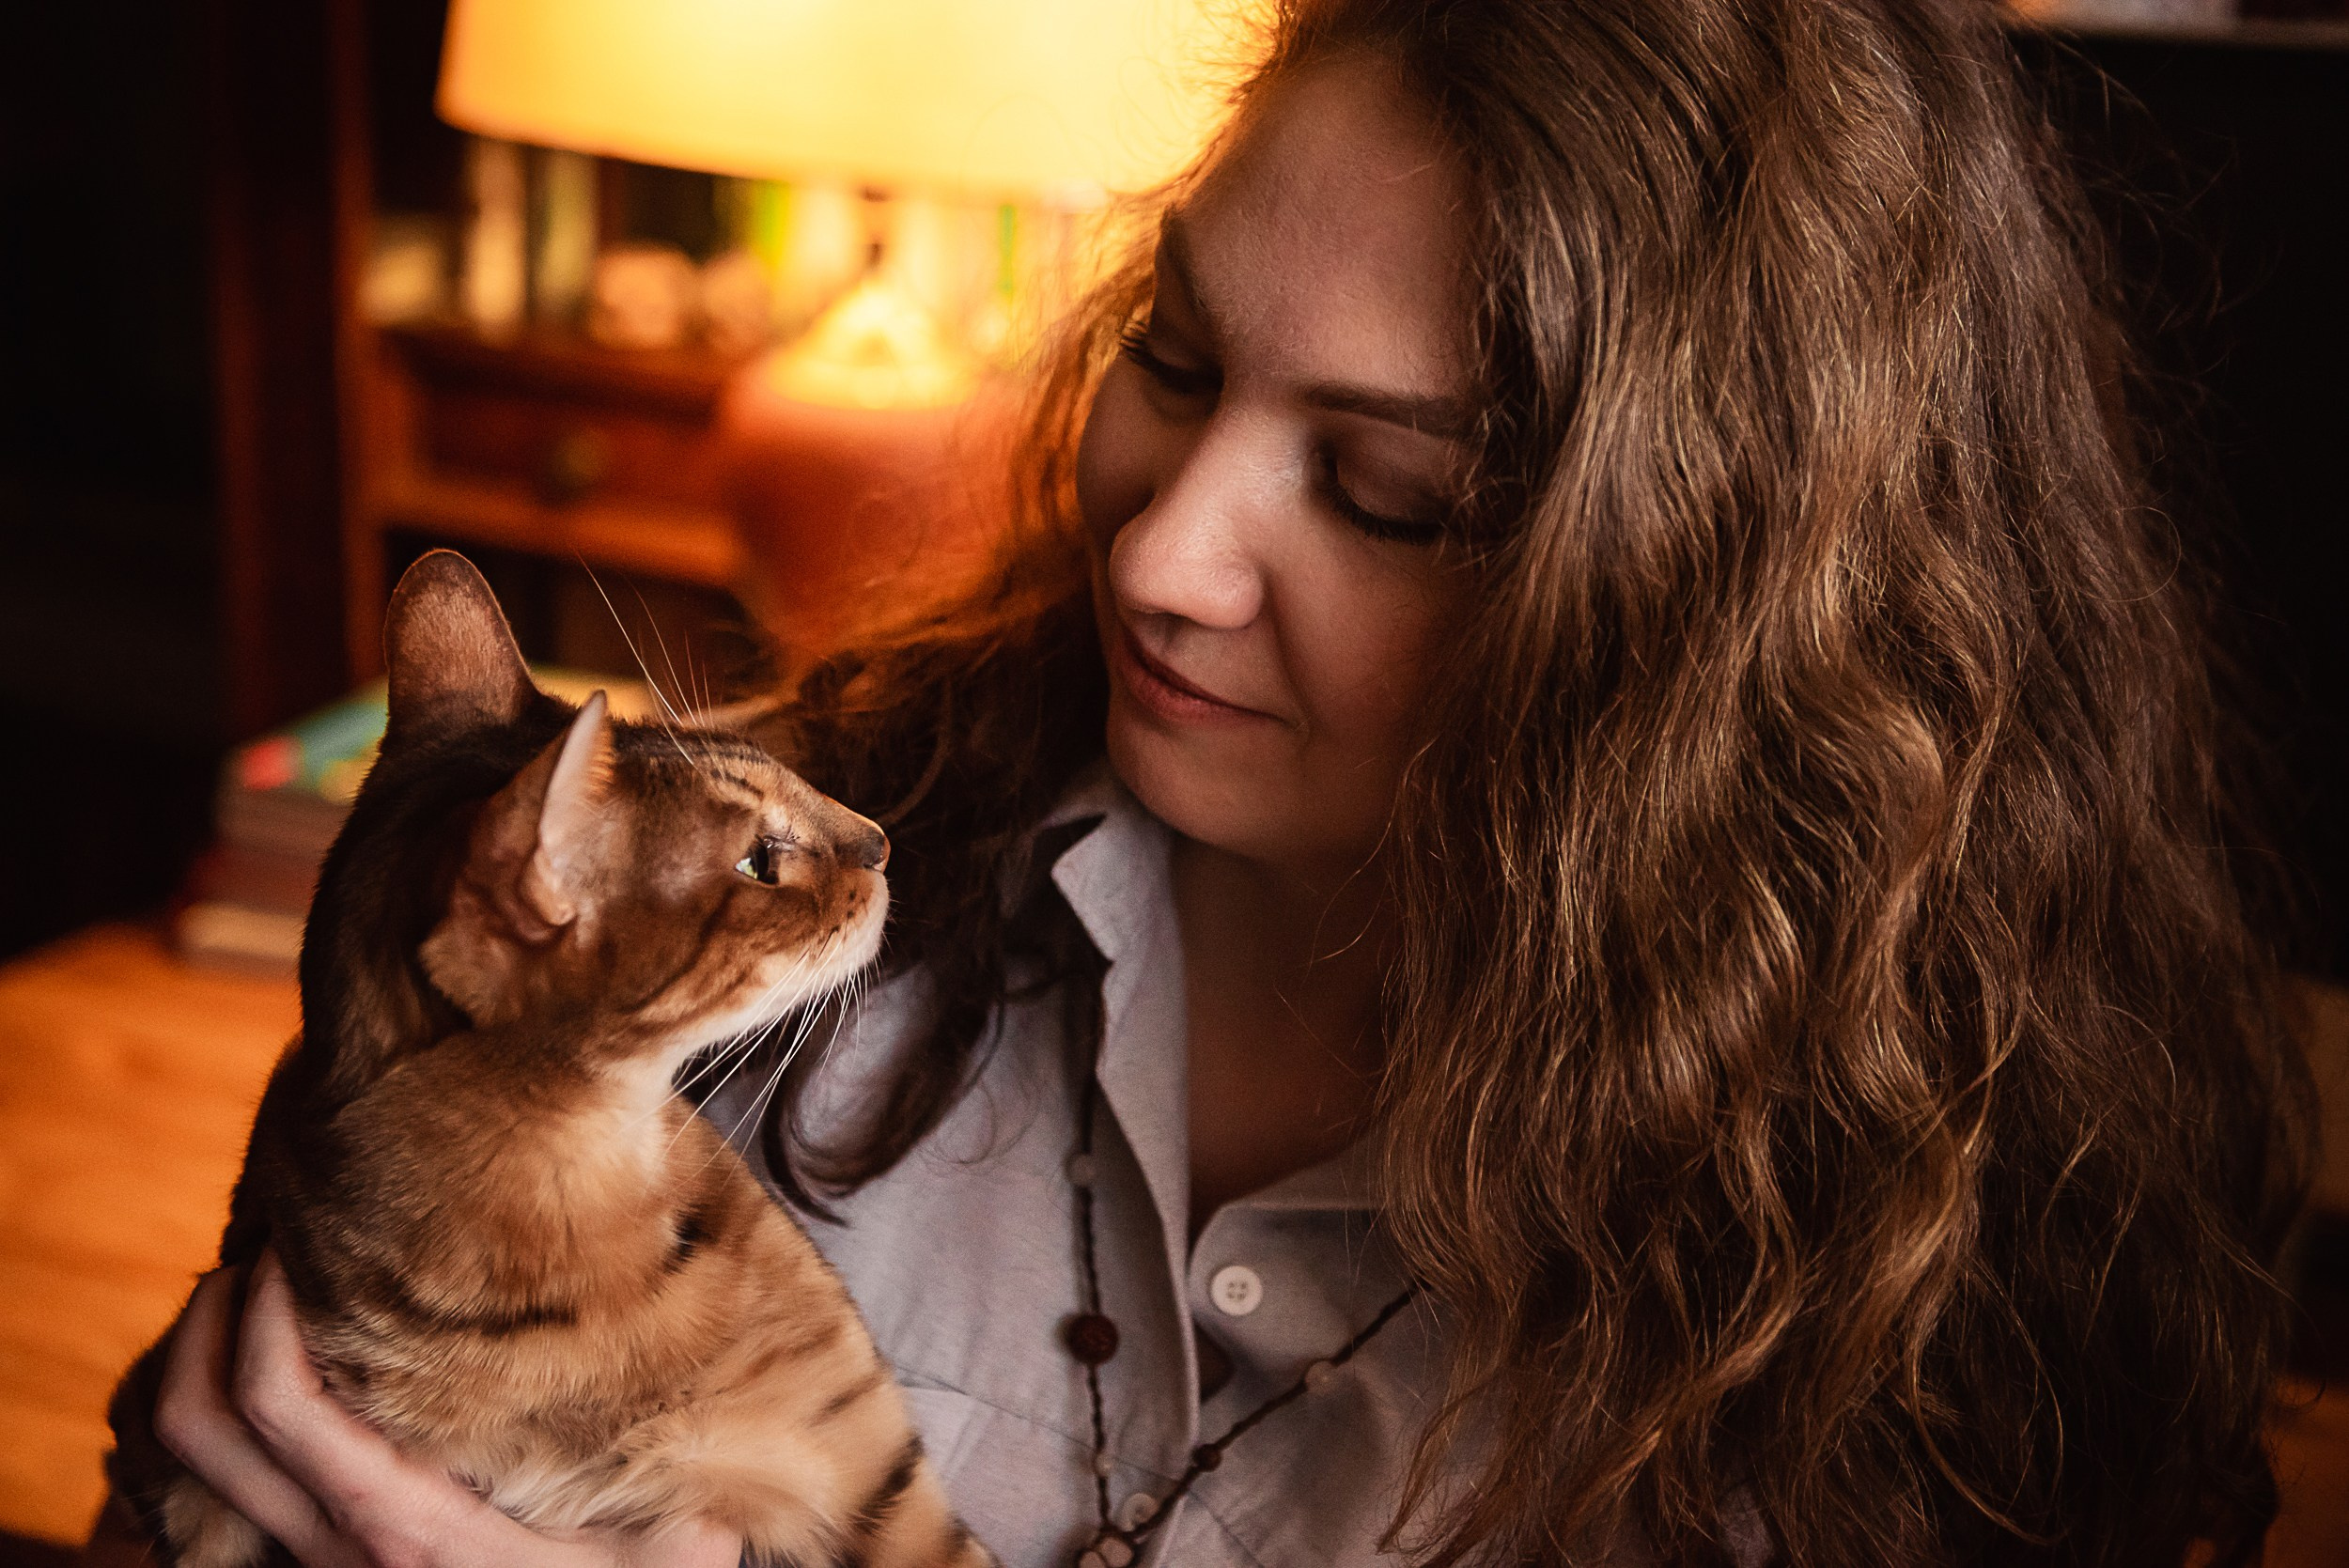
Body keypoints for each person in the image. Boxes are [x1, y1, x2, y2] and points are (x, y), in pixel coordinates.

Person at [147, 1, 2312, 1564]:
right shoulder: (736, 945)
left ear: (1720, 622)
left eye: (1386, 492)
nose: (1159, 557)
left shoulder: (1921, 1288)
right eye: (1171, 362)